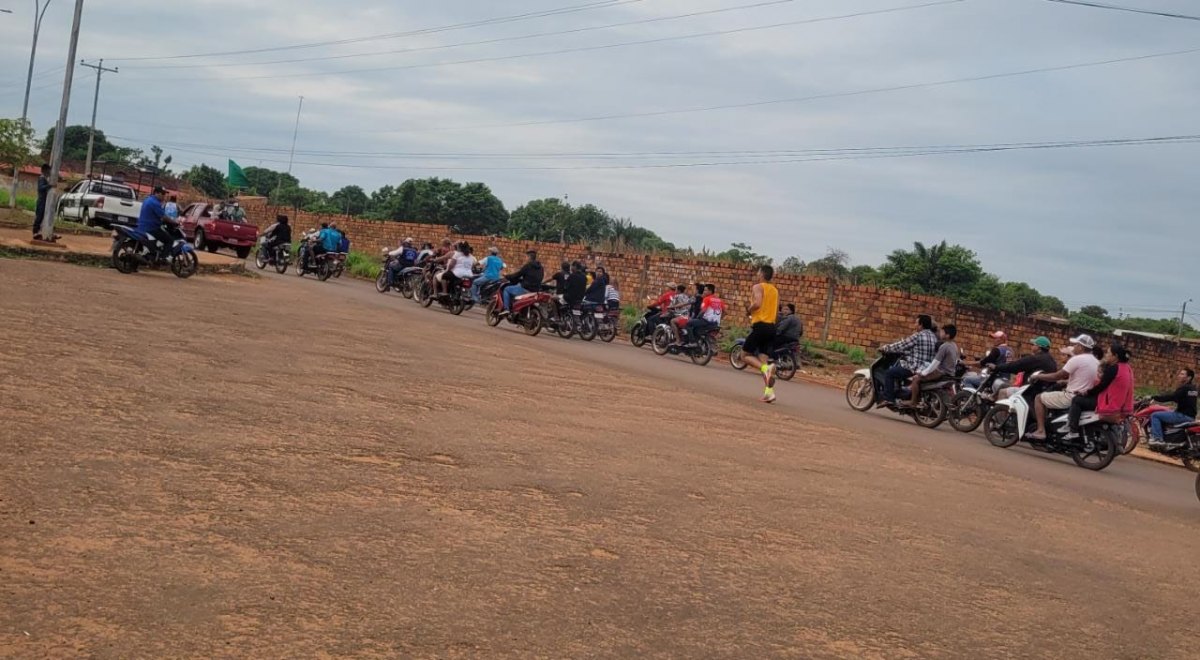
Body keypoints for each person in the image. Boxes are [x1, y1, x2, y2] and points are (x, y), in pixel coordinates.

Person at [1025, 334, 1100, 441]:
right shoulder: (1096, 362)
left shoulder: (1077, 359)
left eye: (1075, 345)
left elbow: (1057, 376)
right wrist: (1064, 382)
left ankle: (1041, 430)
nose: (1073, 347)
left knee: (1039, 398)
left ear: (1081, 347)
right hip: (1085, 398)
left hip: (1070, 397)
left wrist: (1038, 376)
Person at [1067, 343, 1134, 438]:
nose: (1106, 355)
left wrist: (1086, 393)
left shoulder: (1113, 368)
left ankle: (1072, 430)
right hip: (1121, 406)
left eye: (1108, 353)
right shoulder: (1127, 368)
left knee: (1076, 400)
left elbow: (1101, 386)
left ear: (1115, 356)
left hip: (1109, 405)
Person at [877, 314, 939, 408]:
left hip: (915, 367)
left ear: (921, 325)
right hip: (927, 368)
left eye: (916, 323)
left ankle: (888, 399)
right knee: (900, 368)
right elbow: (918, 350)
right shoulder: (934, 337)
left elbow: (901, 345)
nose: (915, 325)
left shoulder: (918, 336)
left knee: (890, 373)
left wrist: (885, 348)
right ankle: (901, 393)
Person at [742, 265, 780, 404]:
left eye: (758, 273)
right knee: (762, 361)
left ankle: (766, 368)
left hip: (761, 325)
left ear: (762, 274)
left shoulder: (758, 287)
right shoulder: (775, 290)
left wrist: (749, 309)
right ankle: (769, 393)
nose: (757, 275)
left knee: (744, 355)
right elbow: (776, 312)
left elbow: (757, 304)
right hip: (771, 327)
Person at [904, 324, 960, 409]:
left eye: (942, 332)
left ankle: (913, 402)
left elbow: (935, 363)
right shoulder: (954, 346)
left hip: (941, 372)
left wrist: (924, 373)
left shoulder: (944, 346)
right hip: (950, 373)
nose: (940, 333)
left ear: (947, 335)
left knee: (916, 379)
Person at [1147, 368, 1198, 448]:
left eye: (1182, 374)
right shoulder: (1193, 388)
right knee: (1167, 412)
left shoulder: (1184, 388)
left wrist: (1155, 397)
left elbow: (1172, 397)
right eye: (1180, 374)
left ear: (1189, 377)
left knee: (1155, 415)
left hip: (1183, 416)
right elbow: (1180, 399)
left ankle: (1158, 439)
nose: (1179, 376)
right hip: (1191, 416)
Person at [994, 336, 1058, 399]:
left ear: (1038, 347)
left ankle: (998, 406)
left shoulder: (1036, 358)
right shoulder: (1052, 361)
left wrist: (996, 367)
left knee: (1002, 392)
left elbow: (1015, 366)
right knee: (1005, 386)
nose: (1031, 346)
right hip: (1043, 391)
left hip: (1030, 392)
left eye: (1033, 344)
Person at [134, 186, 173, 259]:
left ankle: (154, 253)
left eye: (164, 194)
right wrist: (174, 222)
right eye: (162, 194)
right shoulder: (155, 203)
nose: (164, 196)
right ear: (156, 193)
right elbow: (163, 216)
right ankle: (162, 258)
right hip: (151, 228)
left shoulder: (147, 200)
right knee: (169, 240)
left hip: (142, 226)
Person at [33, 163, 51, 240]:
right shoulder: (42, 178)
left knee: (42, 217)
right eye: (49, 171)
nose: (49, 172)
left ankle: (39, 232)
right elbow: (41, 188)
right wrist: (49, 185)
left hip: (43, 201)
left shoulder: (44, 179)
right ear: (45, 170)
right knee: (39, 217)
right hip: (41, 201)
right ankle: (35, 232)